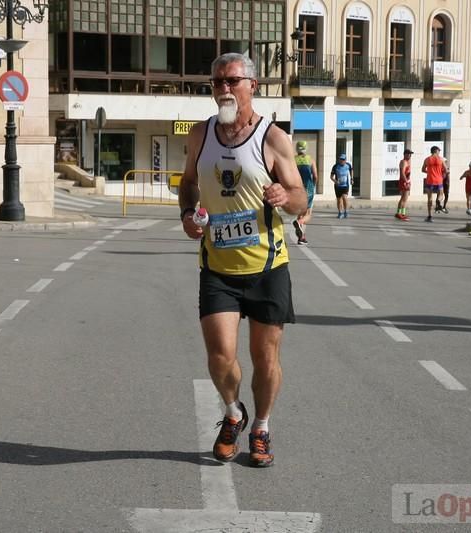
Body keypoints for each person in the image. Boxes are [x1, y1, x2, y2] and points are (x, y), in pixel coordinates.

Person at [178, 53, 306, 468]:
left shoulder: (273, 139)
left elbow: (300, 196)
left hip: (268, 267)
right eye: (216, 83)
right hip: (218, 268)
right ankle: (234, 412)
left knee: (266, 358)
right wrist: (186, 213)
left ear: (252, 84)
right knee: (220, 356)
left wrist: (286, 198)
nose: (223, 90)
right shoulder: (201, 136)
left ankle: (262, 426)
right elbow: (189, 183)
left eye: (231, 81)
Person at [293, 140, 317, 245]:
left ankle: (301, 238)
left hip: (297, 189)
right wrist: (314, 185)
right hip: (308, 188)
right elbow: (315, 176)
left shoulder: (293, 160)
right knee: (307, 214)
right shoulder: (310, 160)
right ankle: (299, 223)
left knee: (300, 213)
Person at [422, 146, 446, 222]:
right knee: (441, 194)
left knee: (429, 199)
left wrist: (429, 172)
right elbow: (446, 170)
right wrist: (442, 175)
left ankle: (430, 216)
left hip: (430, 180)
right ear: (436, 151)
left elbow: (422, 170)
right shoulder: (441, 159)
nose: (439, 152)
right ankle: (439, 201)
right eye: (439, 151)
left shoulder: (427, 159)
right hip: (439, 180)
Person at [330, 153, 353, 218]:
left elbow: (351, 170)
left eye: (343, 159)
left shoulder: (348, 165)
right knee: (339, 200)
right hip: (338, 186)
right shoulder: (335, 166)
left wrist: (352, 179)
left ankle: (346, 211)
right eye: (340, 159)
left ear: (345, 160)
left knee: (344, 198)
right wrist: (335, 181)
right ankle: (340, 212)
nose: (342, 161)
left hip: (345, 185)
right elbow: (331, 177)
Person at [395, 149, 412, 220]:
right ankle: (399, 213)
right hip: (404, 182)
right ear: (404, 154)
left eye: (410, 154)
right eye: (408, 154)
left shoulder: (407, 162)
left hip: (406, 181)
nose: (410, 155)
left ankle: (402, 213)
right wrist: (406, 182)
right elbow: (402, 173)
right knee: (404, 198)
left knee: (404, 198)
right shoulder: (404, 162)